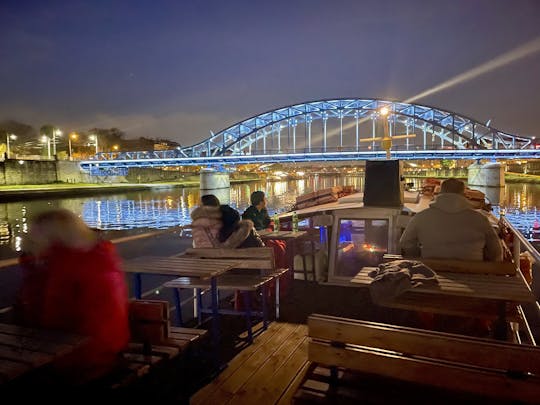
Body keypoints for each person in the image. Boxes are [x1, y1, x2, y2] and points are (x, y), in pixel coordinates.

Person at [14, 208, 130, 385]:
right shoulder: (97, 256)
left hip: (84, 361)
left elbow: (51, 319)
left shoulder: (63, 266)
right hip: (107, 350)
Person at [399, 178, 503, 261]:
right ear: (464, 195)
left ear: (440, 193)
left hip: (432, 273)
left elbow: (405, 243)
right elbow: (496, 251)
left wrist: (419, 255)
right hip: (473, 276)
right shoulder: (480, 219)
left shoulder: (421, 217)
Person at [191, 194, 263, 248]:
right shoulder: (245, 228)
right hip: (248, 264)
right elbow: (261, 247)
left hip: (211, 264)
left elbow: (198, 248)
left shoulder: (201, 228)